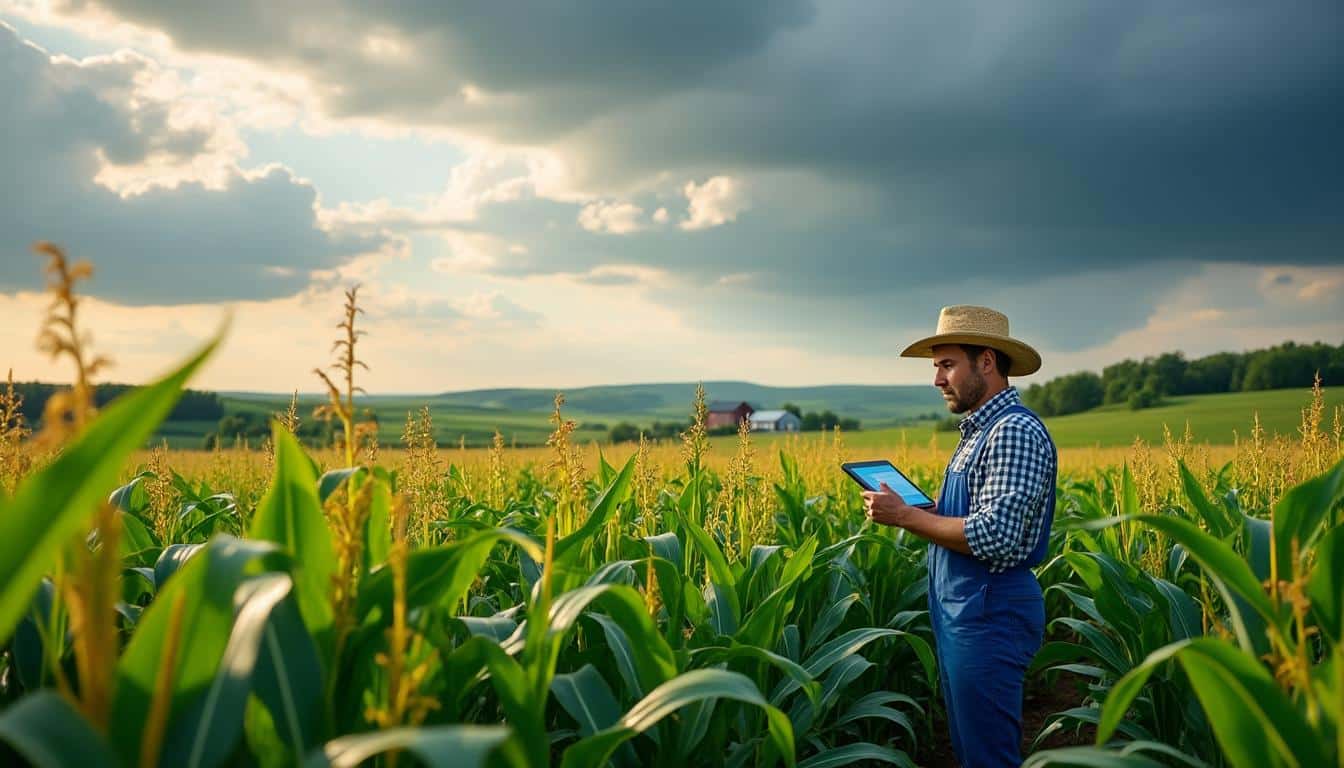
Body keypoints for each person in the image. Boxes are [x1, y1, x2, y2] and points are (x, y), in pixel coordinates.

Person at [862, 305, 1057, 768]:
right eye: (936, 368)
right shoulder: (979, 432)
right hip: (965, 612)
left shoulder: (1013, 431)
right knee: (972, 752)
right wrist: (925, 509)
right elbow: (974, 515)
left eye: (947, 365)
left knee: (989, 757)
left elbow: (996, 535)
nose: (937, 380)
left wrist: (907, 517)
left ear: (986, 362)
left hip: (990, 613)